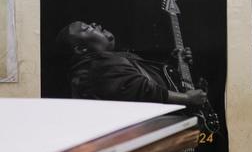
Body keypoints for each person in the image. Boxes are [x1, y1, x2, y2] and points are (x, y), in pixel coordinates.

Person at [57, 21, 208, 107]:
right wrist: (187, 99)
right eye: (87, 28)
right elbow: (142, 90)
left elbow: (136, 84)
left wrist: (174, 65)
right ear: (81, 49)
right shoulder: (95, 66)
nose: (95, 24)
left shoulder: (109, 62)